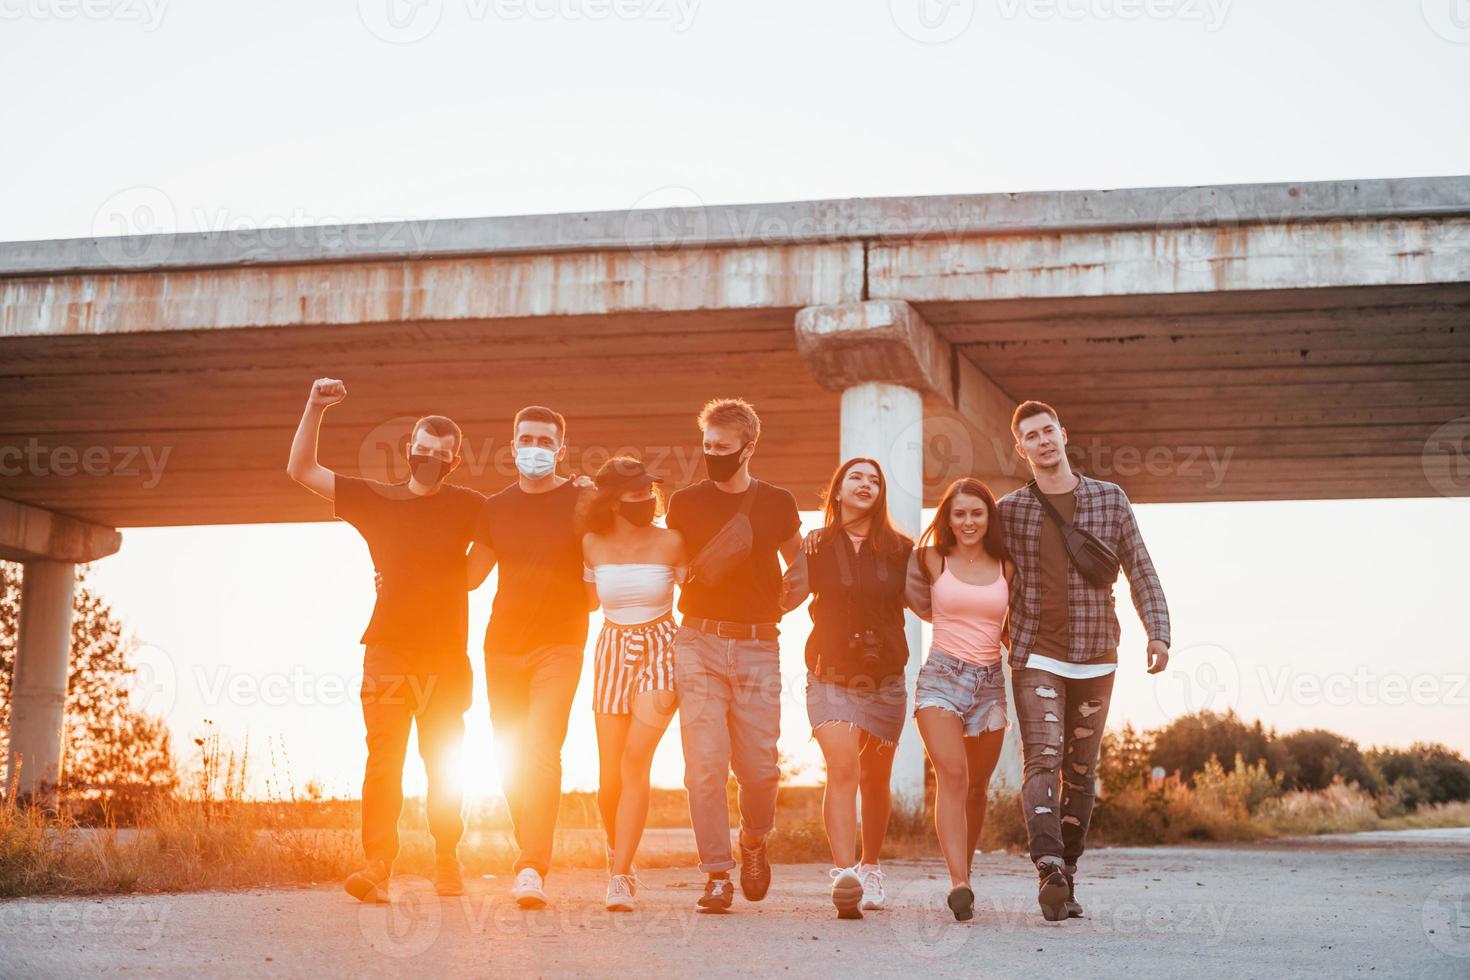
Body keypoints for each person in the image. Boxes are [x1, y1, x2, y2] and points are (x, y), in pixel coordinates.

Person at [286, 378, 484, 904]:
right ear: (408, 450)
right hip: (389, 651)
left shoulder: (469, 505)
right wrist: (314, 406)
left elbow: (500, 543)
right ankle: (377, 864)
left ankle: (447, 858)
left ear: (454, 461)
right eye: (423, 449)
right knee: (384, 758)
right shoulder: (375, 498)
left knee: (443, 761)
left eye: (442, 454)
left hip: (446, 656)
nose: (430, 458)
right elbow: (302, 470)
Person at [999, 400, 1171, 921]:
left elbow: (1140, 568)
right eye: (1031, 435)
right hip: (1036, 655)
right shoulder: (1009, 510)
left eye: (1048, 430)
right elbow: (982, 573)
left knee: (1080, 771)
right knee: (1042, 759)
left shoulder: (1110, 499)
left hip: (1098, 655)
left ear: (1064, 435)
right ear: (1021, 448)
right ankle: (1047, 862)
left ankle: (1067, 876)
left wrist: (1158, 633)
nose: (1043, 440)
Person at [666, 397, 803, 914]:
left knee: (760, 770)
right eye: (706, 446)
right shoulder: (683, 502)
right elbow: (671, 561)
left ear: (749, 447)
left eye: (722, 448)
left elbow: (800, 564)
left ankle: (753, 841)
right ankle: (717, 875)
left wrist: (779, 607)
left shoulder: (777, 501)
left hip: (757, 646)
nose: (712, 454)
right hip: (697, 642)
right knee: (703, 766)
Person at [468, 405, 593, 909]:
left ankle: (530, 867)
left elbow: (605, 560)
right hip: (502, 647)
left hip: (561, 644)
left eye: (545, 441)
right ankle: (531, 850)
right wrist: (403, 575)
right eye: (526, 439)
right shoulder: (494, 507)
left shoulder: (583, 499)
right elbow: (469, 576)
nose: (535, 448)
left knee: (542, 749)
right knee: (510, 757)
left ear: (560, 450)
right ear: (512, 446)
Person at [781, 458, 913, 920]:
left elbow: (927, 602)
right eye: (856, 477)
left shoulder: (901, 549)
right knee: (842, 766)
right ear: (837, 491)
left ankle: (871, 866)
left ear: (880, 495)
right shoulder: (816, 545)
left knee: (876, 779)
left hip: (885, 680)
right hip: (829, 673)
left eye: (875, 479)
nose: (866, 484)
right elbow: (786, 595)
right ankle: (843, 874)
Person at [579, 456, 686, 912]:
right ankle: (616, 845)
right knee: (608, 778)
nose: (645, 499)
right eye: (634, 493)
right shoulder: (591, 543)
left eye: (649, 492)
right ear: (611, 500)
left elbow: (698, 593)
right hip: (610, 649)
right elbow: (584, 601)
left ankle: (620, 875)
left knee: (634, 759)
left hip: (662, 646)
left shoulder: (673, 540)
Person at [905, 477, 1014, 922]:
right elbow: (917, 604)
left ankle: (963, 873)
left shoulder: (1007, 565)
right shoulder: (930, 558)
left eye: (977, 513)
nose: (968, 521)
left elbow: (1012, 625)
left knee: (976, 787)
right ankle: (959, 882)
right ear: (947, 519)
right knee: (952, 773)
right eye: (959, 514)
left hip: (990, 682)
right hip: (941, 678)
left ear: (989, 517)